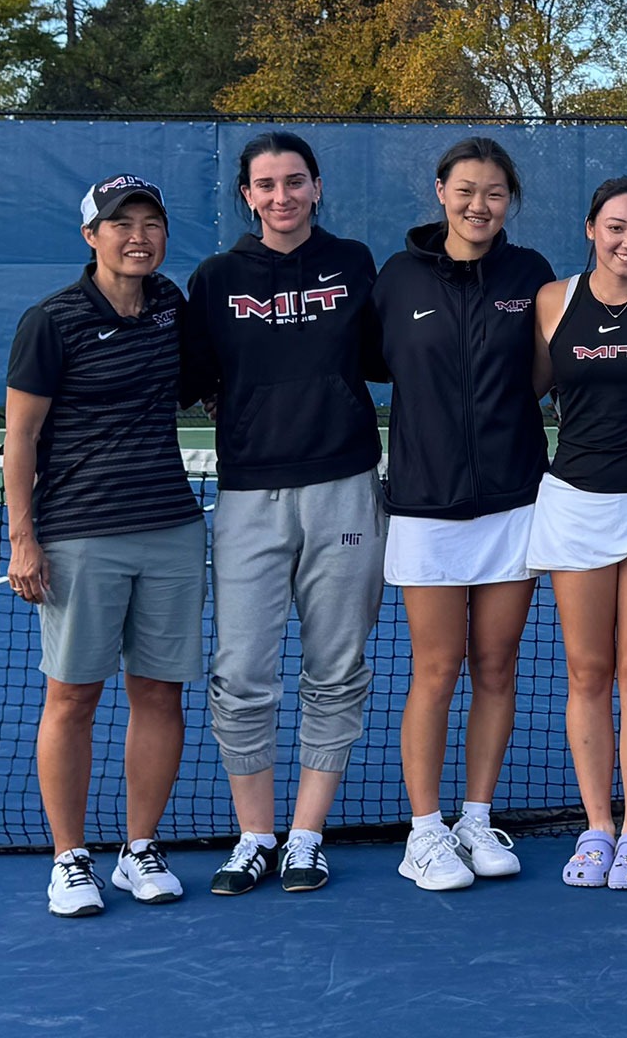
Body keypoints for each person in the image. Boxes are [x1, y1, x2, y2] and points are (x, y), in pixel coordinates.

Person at [180, 132, 385, 895]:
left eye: (294, 181)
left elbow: (387, 357)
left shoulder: (354, 264)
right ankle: (254, 836)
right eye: (265, 184)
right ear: (246, 196)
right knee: (241, 675)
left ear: (317, 187)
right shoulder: (215, 279)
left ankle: (306, 836)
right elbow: (189, 375)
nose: (281, 196)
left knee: (336, 671)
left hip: (345, 488)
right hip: (247, 497)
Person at [7, 174, 203, 917]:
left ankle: (139, 849)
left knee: (158, 692)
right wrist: (23, 540)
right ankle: (69, 859)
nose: (138, 236)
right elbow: (20, 440)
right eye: (120, 224)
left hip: (171, 529)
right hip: (79, 536)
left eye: (150, 222)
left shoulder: (168, 306)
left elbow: (193, 386)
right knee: (72, 698)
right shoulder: (51, 321)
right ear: (91, 237)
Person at [374, 138, 555, 891]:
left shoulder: (532, 275)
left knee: (497, 667)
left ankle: (476, 818)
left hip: (515, 503)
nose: (479, 205)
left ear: (509, 201)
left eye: (495, 193)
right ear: (440, 190)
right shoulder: (396, 278)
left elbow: (551, 372)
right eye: (466, 190)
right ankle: (424, 832)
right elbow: (366, 364)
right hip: (425, 508)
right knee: (436, 668)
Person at [526, 177, 627, 890]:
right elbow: (527, 388)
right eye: (618, 227)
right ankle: (596, 827)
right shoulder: (552, 302)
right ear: (591, 228)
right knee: (588, 673)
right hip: (574, 506)